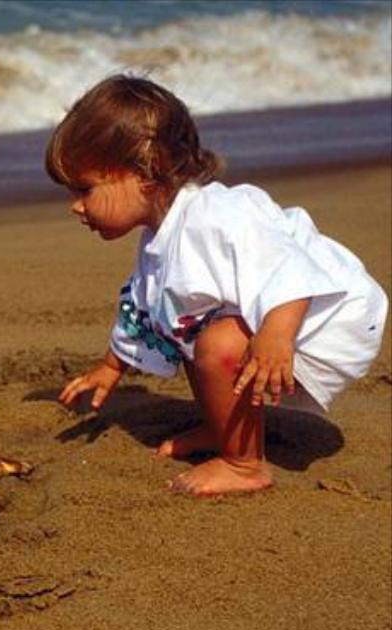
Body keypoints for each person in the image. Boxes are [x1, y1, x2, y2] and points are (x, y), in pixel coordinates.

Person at [46, 74, 388, 496]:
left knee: (217, 343)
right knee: (187, 323)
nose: (75, 206)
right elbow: (146, 307)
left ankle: (244, 464)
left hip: (330, 319)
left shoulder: (217, 217)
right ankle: (221, 427)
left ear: (146, 172)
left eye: (85, 188)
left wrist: (276, 336)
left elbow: (290, 269)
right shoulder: (161, 235)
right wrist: (112, 366)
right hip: (289, 312)